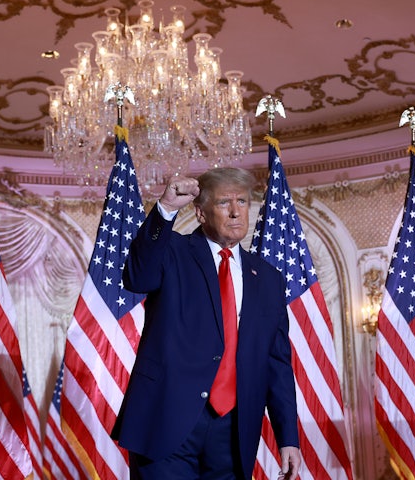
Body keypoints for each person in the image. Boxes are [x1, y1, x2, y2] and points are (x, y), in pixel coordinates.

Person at [112, 167, 301, 479]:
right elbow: (138, 277)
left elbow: (276, 363)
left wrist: (288, 437)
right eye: (224, 202)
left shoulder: (269, 279)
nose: (236, 211)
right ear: (201, 213)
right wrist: (166, 209)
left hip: (233, 431)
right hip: (166, 418)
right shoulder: (173, 251)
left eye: (242, 201)